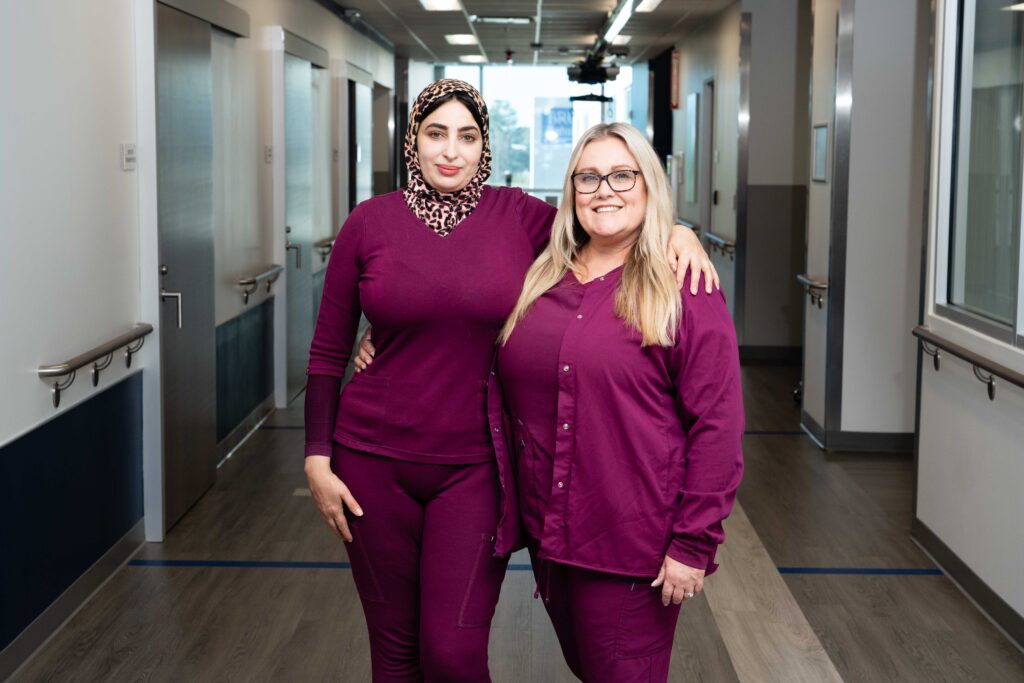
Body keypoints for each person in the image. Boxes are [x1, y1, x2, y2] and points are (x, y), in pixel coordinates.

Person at [304, 80, 716, 682]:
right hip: (370, 461)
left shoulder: (521, 217)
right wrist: (318, 458)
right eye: (435, 133)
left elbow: (607, 221)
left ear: (485, 146)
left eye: (467, 136)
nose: (451, 151)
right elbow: (326, 350)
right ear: (412, 141)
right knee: (393, 652)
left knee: (453, 652)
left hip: (477, 468)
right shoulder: (369, 224)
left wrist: (679, 232)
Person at [495, 122, 745, 682]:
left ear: (649, 185)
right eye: (588, 177)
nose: (604, 189)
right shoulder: (542, 274)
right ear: (571, 191)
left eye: (622, 174)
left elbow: (718, 424)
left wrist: (692, 542)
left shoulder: (683, 286)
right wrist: (380, 336)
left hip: (633, 544)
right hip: (550, 533)